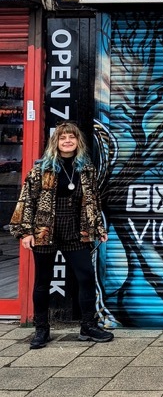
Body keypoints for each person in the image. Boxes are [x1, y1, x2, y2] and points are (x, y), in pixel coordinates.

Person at [8, 121, 114, 348]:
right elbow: (27, 201)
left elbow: (93, 201)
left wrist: (98, 229)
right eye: (63, 138)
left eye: (72, 137)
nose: (67, 141)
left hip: (76, 230)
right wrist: (26, 231)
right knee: (42, 282)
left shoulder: (86, 168)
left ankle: (88, 326)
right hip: (45, 229)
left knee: (86, 277)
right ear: (55, 142)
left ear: (78, 141)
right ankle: (41, 330)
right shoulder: (41, 168)